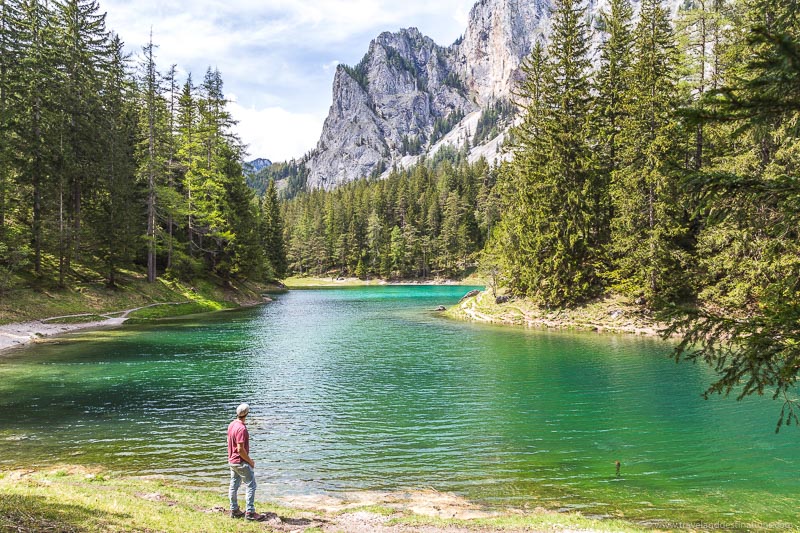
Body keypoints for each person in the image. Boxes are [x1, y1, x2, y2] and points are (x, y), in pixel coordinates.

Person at [227, 403, 267, 521]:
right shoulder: (242, 428)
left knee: (234, 485)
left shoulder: (231, 424)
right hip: (240, 462)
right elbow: (240, 449)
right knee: (251, 485)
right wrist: (250, 461)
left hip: (232, 461)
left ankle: (234, 510)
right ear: (247, 414)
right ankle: (250, 512)